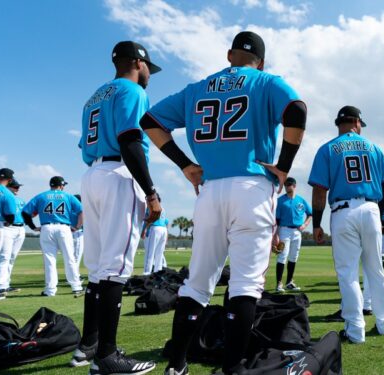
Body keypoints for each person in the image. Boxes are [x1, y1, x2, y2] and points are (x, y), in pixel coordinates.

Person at [138, 31, 306, 375]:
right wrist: (285, 165)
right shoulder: (265, 81)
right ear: (260, 60)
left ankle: (177, 365)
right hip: (252, 184)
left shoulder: (197, 88)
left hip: (211, 189)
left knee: (197, 283)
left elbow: (150, 122)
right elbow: (297, 110)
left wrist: (185, 164)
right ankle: (232, 369)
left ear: (230, 55)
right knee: (245, 284)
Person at [73, 40, 161, 373]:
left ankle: (88, 345)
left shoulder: (94, 96)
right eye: (149, 68)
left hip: (92, 174)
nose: (150, 74)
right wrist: (150, 190)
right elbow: (129, 140)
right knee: (115, 269)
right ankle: (107, 356)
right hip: (119, 175)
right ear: (138, 63)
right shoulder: (132, 91)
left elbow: (86, 144)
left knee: (98, 270)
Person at [309, 105, 384, 344]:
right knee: (375, 269)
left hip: (343, 211)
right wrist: (381, 214)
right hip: (371, 208)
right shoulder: (375, 148)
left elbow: (319, 190)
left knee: (347, 274)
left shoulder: (327, 148)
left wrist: (317, 224)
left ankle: (356, 331)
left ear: (339, 123)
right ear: (357, 122)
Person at [21, 176, 83, 297]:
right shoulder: (68, 196)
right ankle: (76, 286)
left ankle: (50, 290)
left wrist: (33, 227)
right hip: (63, 228)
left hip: (46, 228)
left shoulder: (41, 196)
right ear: (61, 185)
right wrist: (77, 226)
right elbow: (81, 211)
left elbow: (25, 212)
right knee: (69, 258)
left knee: (49, 260)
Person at [274, 177, 312, 292]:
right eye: (285, 185)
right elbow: (276, 219)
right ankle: (279, 284)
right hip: (284, 230)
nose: (287, 186)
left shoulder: (301, 200)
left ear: (294, 186)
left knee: (293, 257)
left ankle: (289, 282)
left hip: (297, 231)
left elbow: (310, 214)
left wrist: (305, 225)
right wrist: (275, 235)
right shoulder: (280, 201)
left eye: (289, 184)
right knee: (282, 256)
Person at [0, 178, 25, 299]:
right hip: (6, 228)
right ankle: (0, 286)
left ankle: (6, 283)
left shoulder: (20, 200)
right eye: (16, 187)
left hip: (20, 228)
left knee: (11, 257)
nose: (18, 189)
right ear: (9, 186)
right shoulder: (4, 196)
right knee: (4, 257)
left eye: (18, 187)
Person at [0, 168, 17, 293]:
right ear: (10, 180)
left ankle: (1, 286)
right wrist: (9, 222)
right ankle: (0, 287)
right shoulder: (7, 193)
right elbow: (10, 216)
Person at [142, 200, 169, 275]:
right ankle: (158, 274)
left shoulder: (151, 207)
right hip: (163, 230)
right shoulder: (162, 208)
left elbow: (150, 219)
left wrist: (144, 230)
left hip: (155, 228)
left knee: (149, 253)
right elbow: (166, 222)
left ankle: (146, 273)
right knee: (159, 254)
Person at [70, 194, 85, 268]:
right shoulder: (80, 209)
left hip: (67, 233)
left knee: (71, 255)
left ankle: (72, 274)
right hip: (77, 233)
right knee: (77, 255)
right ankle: (75, 275)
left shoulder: (68, 209)